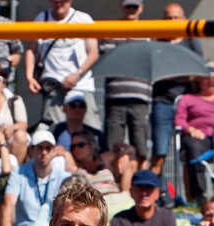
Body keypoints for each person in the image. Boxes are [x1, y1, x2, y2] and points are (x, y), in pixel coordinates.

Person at [150, 3, 204, 200]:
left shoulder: (191, 41)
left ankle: (190, 199)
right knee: (160, 152)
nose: (172, 22)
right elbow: (156, 73)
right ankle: (159, 197)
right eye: (168, 18)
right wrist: (182, 74)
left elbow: (198, 71)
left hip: (188, 104)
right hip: (162, 102)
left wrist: (175, 75)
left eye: (176, 17)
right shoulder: (158, 43)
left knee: (187, 153)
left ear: (183, 19)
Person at [24, 0, 100, 128]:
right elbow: (32, 50)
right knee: (55, 131)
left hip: (81, 85)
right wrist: (29, 77)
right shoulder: (42, 19)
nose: (59, 3)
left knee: (91, 130)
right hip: (53, 87)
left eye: (63, 1)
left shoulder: (82, 19)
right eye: (55, 0)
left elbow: (93, 53)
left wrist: (78, 74)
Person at [0, 129, 73, 226]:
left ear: (54, 151)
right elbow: (9, 201)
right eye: (39, 148)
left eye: (48, 148)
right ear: (31, 150)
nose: (44, 152)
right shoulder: (19, 173)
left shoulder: (64, 177)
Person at [99, 1, 151, 170]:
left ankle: (141, 183)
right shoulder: (112, 30)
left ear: (141, 8)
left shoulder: (148, 32)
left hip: (140, 97)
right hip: (115, 97)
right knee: (113, 147)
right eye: (128, 6)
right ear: (121, 7)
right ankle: (115, 186)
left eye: (134, 7)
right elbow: (107, 58)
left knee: (141, 147)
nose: (131, 10)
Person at [69, 130, 135, 220]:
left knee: (131, 163)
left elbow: (130, 150)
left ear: (91, 145)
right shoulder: (75, 167)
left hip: (119, 196)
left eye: (81, 145)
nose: (76, 149)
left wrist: (124, 157)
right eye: (73, 147)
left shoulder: (104, 159)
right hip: (101, 203)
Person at [173, 62, 214, 206]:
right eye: (207, 78)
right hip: (198, 137)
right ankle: (199, 195)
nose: (210, 81)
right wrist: (191, 130)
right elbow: (179, 120)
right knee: (194, 148)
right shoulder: (188, 99)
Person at [51, 90, 108, 154]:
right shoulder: (55, 132)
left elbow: (105, 156)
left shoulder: (97, 135)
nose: (77, 109)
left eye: (81, 106)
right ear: (64, 108)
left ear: (85, 109)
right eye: (73, 105)